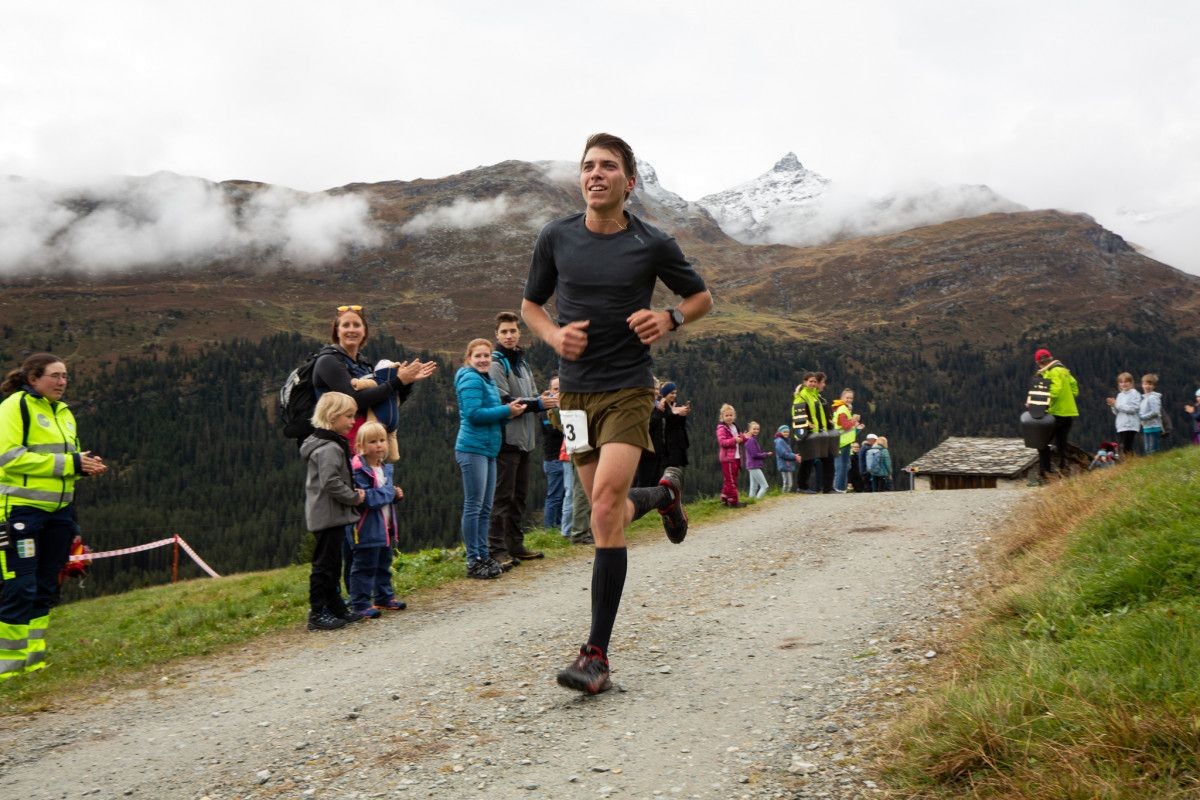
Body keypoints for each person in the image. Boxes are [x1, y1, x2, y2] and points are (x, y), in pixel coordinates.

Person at [521, 132, 713, 694]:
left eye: (607, 166)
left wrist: (671, 319)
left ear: (628, 182)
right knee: (608, 515)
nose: (595, 174)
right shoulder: (556, 237)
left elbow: (701, 298)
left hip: (629, 389)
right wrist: (553, 336)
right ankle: (665, 495)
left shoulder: (653, 243)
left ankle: (596, 656)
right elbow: (531, 306)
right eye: (588, 166)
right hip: (574, 397)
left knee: (604, 508)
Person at [0, 353, 108, 681]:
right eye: (55, 376)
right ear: (33, 378)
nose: (62, 382)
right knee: (20, 587)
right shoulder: (15, 407)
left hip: (59, 514)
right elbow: (8, 458)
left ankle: (33, 663)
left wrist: (83, 466)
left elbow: (62, 462)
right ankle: (7, 669)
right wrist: (70, 464)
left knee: (46, 588)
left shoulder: (64, 412)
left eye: (65, 376)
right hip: (20, 512)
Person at [312, 304, 437, 453]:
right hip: (338, 446)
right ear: (337, 331)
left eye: (357, 325)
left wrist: (406, 382)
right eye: (345, 325)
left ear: (364, 331)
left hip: (367, 446)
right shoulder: (328, 361)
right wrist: (398, 381)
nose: (351, 330)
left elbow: (384, 400)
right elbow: (355, 400)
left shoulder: (363, 364)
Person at [488, 311, 558, 568]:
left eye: (513, 331)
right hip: (507, 441)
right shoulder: (497, 363)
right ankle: (497, 549)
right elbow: (504, 400)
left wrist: (542, 399)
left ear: (519, 333)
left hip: (526, 441)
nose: (509, 336)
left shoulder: (522, 363)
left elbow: (530, 396)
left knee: (519, 496)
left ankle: (515, 545)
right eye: (504, 332)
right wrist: (538, 403)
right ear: (497, 334)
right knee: (502, 497)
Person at [454, 339, 526, 580]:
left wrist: (509, 413)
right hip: (472, 448)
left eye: (487, 356)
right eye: (478, 356)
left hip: (488, 449)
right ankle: (473, 560)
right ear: (469, 358)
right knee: (474, 506)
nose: (483, 360)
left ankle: (484, 556)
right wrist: (507, 411)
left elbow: (491, 415)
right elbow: (473, 414)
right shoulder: (471, 379)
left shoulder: (487, 380)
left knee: (485, 507)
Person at [300, 392, 366, 631]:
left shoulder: (328, 443)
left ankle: (336, 607)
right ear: (332, 417)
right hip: (327, 515)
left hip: (330, 514)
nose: (352, 421)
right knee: (324, 566)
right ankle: (317, 613)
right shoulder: (329, 448)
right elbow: (331, 482)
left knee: (333, 564)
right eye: (348, 416)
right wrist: (353, 497)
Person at [347, 421, 406, 618]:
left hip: (385, 527)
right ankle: (360, 603)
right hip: (365, 528)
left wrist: (395, 496)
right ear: (361, 446)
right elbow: (367, 499)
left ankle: (384, 597)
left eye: (382, 440)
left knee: (383, 564)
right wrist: (390, 493)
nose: (379, 445)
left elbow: (382, 496)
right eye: (373, 441)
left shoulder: (384, 468)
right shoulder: (358, 470)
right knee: (364, 566)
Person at [1032, 348, 1079, 478]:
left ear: (1038, 362)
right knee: (1061, 443)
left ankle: (1045, 472)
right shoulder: (1064, 370)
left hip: (1055, 413)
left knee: (1041, 442)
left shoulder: (1052, 372)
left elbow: (1055, 391)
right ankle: (1064, 470)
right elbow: (1075, 389)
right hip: (1068, 413)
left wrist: (1037, 400)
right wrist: (1067, 397)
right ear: (1050, 358)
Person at [794, 373, 834, 493]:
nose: (813, 384)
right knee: (807, 461)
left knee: (828, 459)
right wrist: (806, 428)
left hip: (819, 433)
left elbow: (819, 415)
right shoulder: (801, 396)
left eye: (815, 381)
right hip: (809, 433)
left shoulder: (815, 396)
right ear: (805, 382)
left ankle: (828, 488)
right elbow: (798, 415)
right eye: (810, 381)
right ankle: (802, 486)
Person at [541, 375, 566, 531]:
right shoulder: (545, 410)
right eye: (555, 389)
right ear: (549, 391)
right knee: (554, 497)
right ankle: (549, 530)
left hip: (565, 458)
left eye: (561, 389)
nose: (558, 392)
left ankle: (560, 527)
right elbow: (551, 430)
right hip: (553, 459)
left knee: (563, 496)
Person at [831, 389, 862, 493]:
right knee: (842, 467)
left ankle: (841, 488)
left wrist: (856, 427)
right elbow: (845, 426)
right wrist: (854, 420)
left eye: (851, 398)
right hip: (842, 442)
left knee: (845, 466)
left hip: (843, 442)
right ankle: (838, 488)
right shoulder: (843, 409)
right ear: (842, 398)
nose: (849, 400)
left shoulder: (842, 408)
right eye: (847, 397)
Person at [716, 404, 748, 507]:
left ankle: (724, 498)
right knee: (731, 480)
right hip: (727, 458)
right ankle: (734, 501)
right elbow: (722, 442)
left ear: (734, 416)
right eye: (726, 415)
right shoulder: (721, 428)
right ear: (722, 417)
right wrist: (735, 440)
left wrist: (745, 437)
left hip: (736, 457)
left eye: (731, 415)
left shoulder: (734, 427)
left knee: (730, 479)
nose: (729, 417)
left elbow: (740, 438)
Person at [658, 382, 692, 471]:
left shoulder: (675, 405)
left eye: (675, 393)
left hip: (678, 443)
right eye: (672, 393)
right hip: (667, 445)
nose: (674, 395)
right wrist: (676, 413)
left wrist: (683, 414)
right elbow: (665, 418)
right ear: (665, 393)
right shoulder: (662, 406)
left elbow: (681, 424)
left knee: (675, 470)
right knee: (667, 469)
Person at [1106, 372, 1141, 457]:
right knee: (1123, 446)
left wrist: (1117, 404)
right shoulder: (1120, 395)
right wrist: (1113, 406)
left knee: (1126, 446)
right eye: (1121, 382)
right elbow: (1117, 412)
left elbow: (1133, 409)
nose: (1123, 384)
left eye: (1126, 382)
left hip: (1131, 424)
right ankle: (1130, 461)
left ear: (1131, 382)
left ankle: (1130, 462)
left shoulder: (1135, 393)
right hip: (1121, 425)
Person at [743, 421, 769, 500]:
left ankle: (751, 501)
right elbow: (754, 455)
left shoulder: (750, 439)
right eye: (754, 429)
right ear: (749, 429)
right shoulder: (751, 440)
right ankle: (757, 501)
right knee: (765, 486)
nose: (756, 431)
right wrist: (766, 454)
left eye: (757, 429)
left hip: (752, 466)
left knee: (754, 487)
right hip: (754, 466)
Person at [1139, 373, 1164, 455]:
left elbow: (1155, 412)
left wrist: (1142, 417)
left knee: (1153, 449)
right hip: (1146, 427)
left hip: (1154, 427)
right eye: (1145, 384)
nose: (1147, 386)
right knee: (1147, 449)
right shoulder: (1143, 398)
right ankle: (1151, 461)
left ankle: (1156, 461)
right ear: (1142, 385)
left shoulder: (1153, 398)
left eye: (1150, 384)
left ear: (1154, 386)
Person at [774, 425, 800, 492]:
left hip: (787, 464)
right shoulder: (780, 441)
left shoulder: (784, 440)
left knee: (789, 483)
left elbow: (787, 453)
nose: (786, 433)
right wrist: (794, 456)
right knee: (787, 483)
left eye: (787, 432)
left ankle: (785, 494)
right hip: (784, 464)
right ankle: (784, 495)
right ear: (780, 432)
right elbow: (783, 454)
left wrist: (794, 456)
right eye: (784, 432)